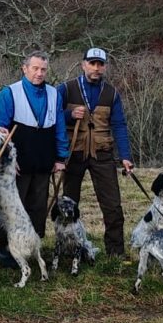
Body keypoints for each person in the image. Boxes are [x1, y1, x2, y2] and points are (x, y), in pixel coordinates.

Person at [0, 50, 68, 267]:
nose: (39, 73)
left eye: (43, 69)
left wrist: (61, 157)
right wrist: (7, 161)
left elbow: (60, 126)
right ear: (25, 68)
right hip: (17, 166)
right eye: (35, 68)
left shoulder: (54, 94)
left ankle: (32, 249)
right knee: (12, 208)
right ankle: (7, 252)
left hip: (44, 163)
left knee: (38, 207)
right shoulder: (9, 93)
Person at [56, 47, 133, 257]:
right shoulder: (65, 88)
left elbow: (119, 125)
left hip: (103, 153)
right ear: (83, 65)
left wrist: (125, 156)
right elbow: (51, 118)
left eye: (100, 64)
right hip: (74, 153)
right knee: (68, 206)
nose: (96, 68)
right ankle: (68, 250)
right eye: (92, 63)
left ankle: (116, 253)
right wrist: (69, 114)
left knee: (113, 206)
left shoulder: (111, 93)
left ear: (105, 67)